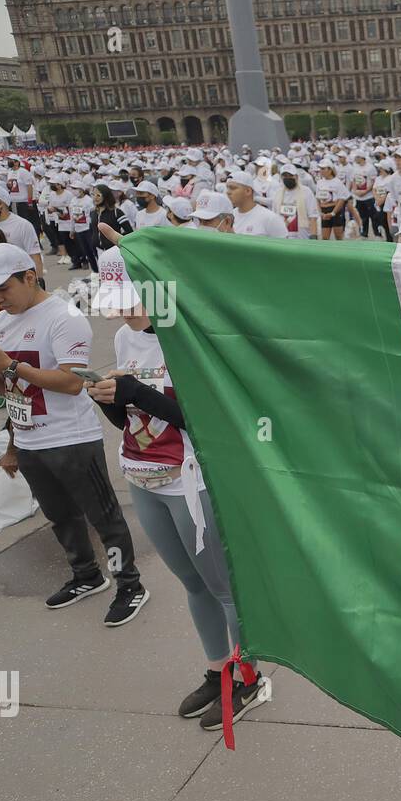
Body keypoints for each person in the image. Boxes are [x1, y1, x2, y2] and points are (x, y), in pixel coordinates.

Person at [85, 247, 266, 730]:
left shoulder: (187, 339)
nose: (123, 309)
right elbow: (131, 419)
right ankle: (216, 670)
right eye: (116, 299)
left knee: (222, 587)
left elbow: (208, 420)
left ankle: (250, 677)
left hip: (190, 480)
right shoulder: (125, 337)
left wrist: (135, 392)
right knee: (191, 583)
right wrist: (108, 399)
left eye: (132, 297)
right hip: (142, 475)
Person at [0, 243, 148, 625]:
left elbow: (72, 382)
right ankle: (86, 575)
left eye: (4, 289)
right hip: (28, 439)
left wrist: (8, 365)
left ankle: (129, 583)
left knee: (103, 515)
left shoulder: (64, 318)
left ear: (29, 276)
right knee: (59, 515)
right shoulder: (0, 322)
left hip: (70, 437)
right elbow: (0, 390)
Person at [226, 172, 287, 238]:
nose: (228, 192)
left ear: (248, 191)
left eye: (233, 188)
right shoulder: (229, 216)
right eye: (228, 188)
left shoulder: (270, 218)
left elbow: (285, 245)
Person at [270, 164, 319, 239]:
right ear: (281, 177)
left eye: (290, 175)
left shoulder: (306, 191)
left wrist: (313, 237)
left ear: (296, 176)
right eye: (285, 176)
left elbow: (313, 217)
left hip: (302, 238)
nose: (288, 178)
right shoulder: (278, 193)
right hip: (282, 237)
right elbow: (274, 216)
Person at [315, 162, 355, 241]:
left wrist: (333, 213)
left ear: (330, 170)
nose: (321, 171)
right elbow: (317, 199)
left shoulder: (337, 182)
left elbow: (342, 199)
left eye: (323, 169)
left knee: (338, 237)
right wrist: (320, 212)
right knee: (325, 238)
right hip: (324, 212)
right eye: (320, 169)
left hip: (335, 211)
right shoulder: (319, 182)